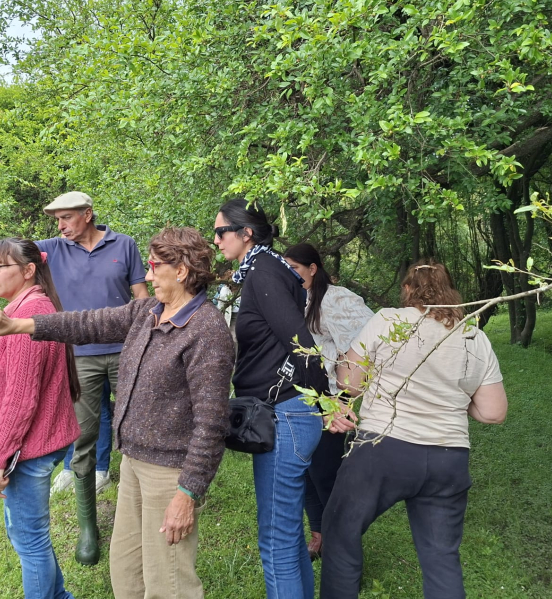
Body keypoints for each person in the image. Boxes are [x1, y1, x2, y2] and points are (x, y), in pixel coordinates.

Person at [0, 227, 235, 599]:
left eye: (154, 265)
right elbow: (86, 323)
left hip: (170, 473)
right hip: (132, 461)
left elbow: (212, 424)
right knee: (127, 572)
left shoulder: (206, 330)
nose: (146, 274)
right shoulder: (148, 311)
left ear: (181, 270)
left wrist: (187, 493)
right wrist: (19, 325)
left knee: (168, 582)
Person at [0, 191, 148, 566]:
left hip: (123, 351)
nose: (61, 226)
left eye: (67, 217)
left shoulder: (124, 244)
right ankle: (89, 529)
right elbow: (4, 252)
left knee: (137, 426)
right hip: (79, 353)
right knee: (83, 438)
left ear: (88, 214)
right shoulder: (54, 248)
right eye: (57, 220)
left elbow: (141, 297)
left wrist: (148, 340)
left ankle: (146, 508)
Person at [319, 259, 508, 599]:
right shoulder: (472, 335)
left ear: (407, 290)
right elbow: (493, 412)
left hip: (383, 449)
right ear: (450, 291)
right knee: (441, 557)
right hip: (449, 458)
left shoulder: (387, 320)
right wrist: (451, 396)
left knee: (340, 530)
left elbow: (351, 382)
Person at [213, 199, 327, 599]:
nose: (216, 241)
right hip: (287, 413)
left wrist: (326, 401)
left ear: (246, 233)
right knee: (288, 535)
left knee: (276, 542)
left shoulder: (263, 272)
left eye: (220, 232)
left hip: (285, 415)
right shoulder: (269, 269)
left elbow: (301, 342)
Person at [0, 238, 81, 599]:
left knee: (30, 544)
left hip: (28, 450)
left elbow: (20, 401)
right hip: (36, 444)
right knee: (31, 538)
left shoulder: (29, 315)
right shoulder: (30, 307)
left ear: (27, 271)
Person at [282, 243, 373, 561]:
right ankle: (320, 534)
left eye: (294, 268)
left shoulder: (337, 299)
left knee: (327, 476)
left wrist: (344, 398)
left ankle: (345, 550)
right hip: (299, 399)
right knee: (304, 473)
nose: (289, 274)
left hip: (331, 400)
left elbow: (368, 343)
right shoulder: (294, 299)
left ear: (312, 268)